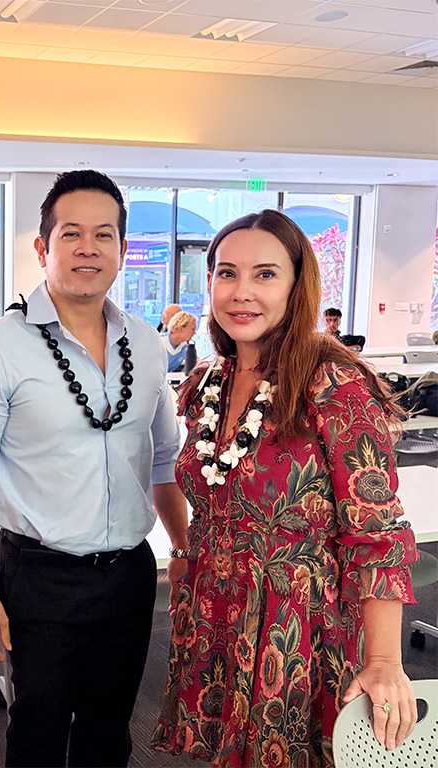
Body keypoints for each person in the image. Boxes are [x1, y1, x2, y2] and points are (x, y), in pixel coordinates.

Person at [153, 209, 418, 766]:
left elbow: (378, 533)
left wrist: (386, 659)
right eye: (226, 273)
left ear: (298, 286)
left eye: (265, 274)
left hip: (296, 628)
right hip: (216, 608)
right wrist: (185, 552)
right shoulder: (208, 381)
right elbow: (209, 493)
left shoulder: (333, 382)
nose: (241, 292)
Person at [0, 169, 190, 767]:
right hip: (40, 577)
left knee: (111, 731)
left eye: (104, 235)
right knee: (37, 731)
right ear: (42, 247)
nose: (88, 248)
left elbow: (163, 458)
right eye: (71, 234)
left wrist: (183, 550)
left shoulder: (149, 344)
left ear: (123, 250)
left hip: (131, 573)